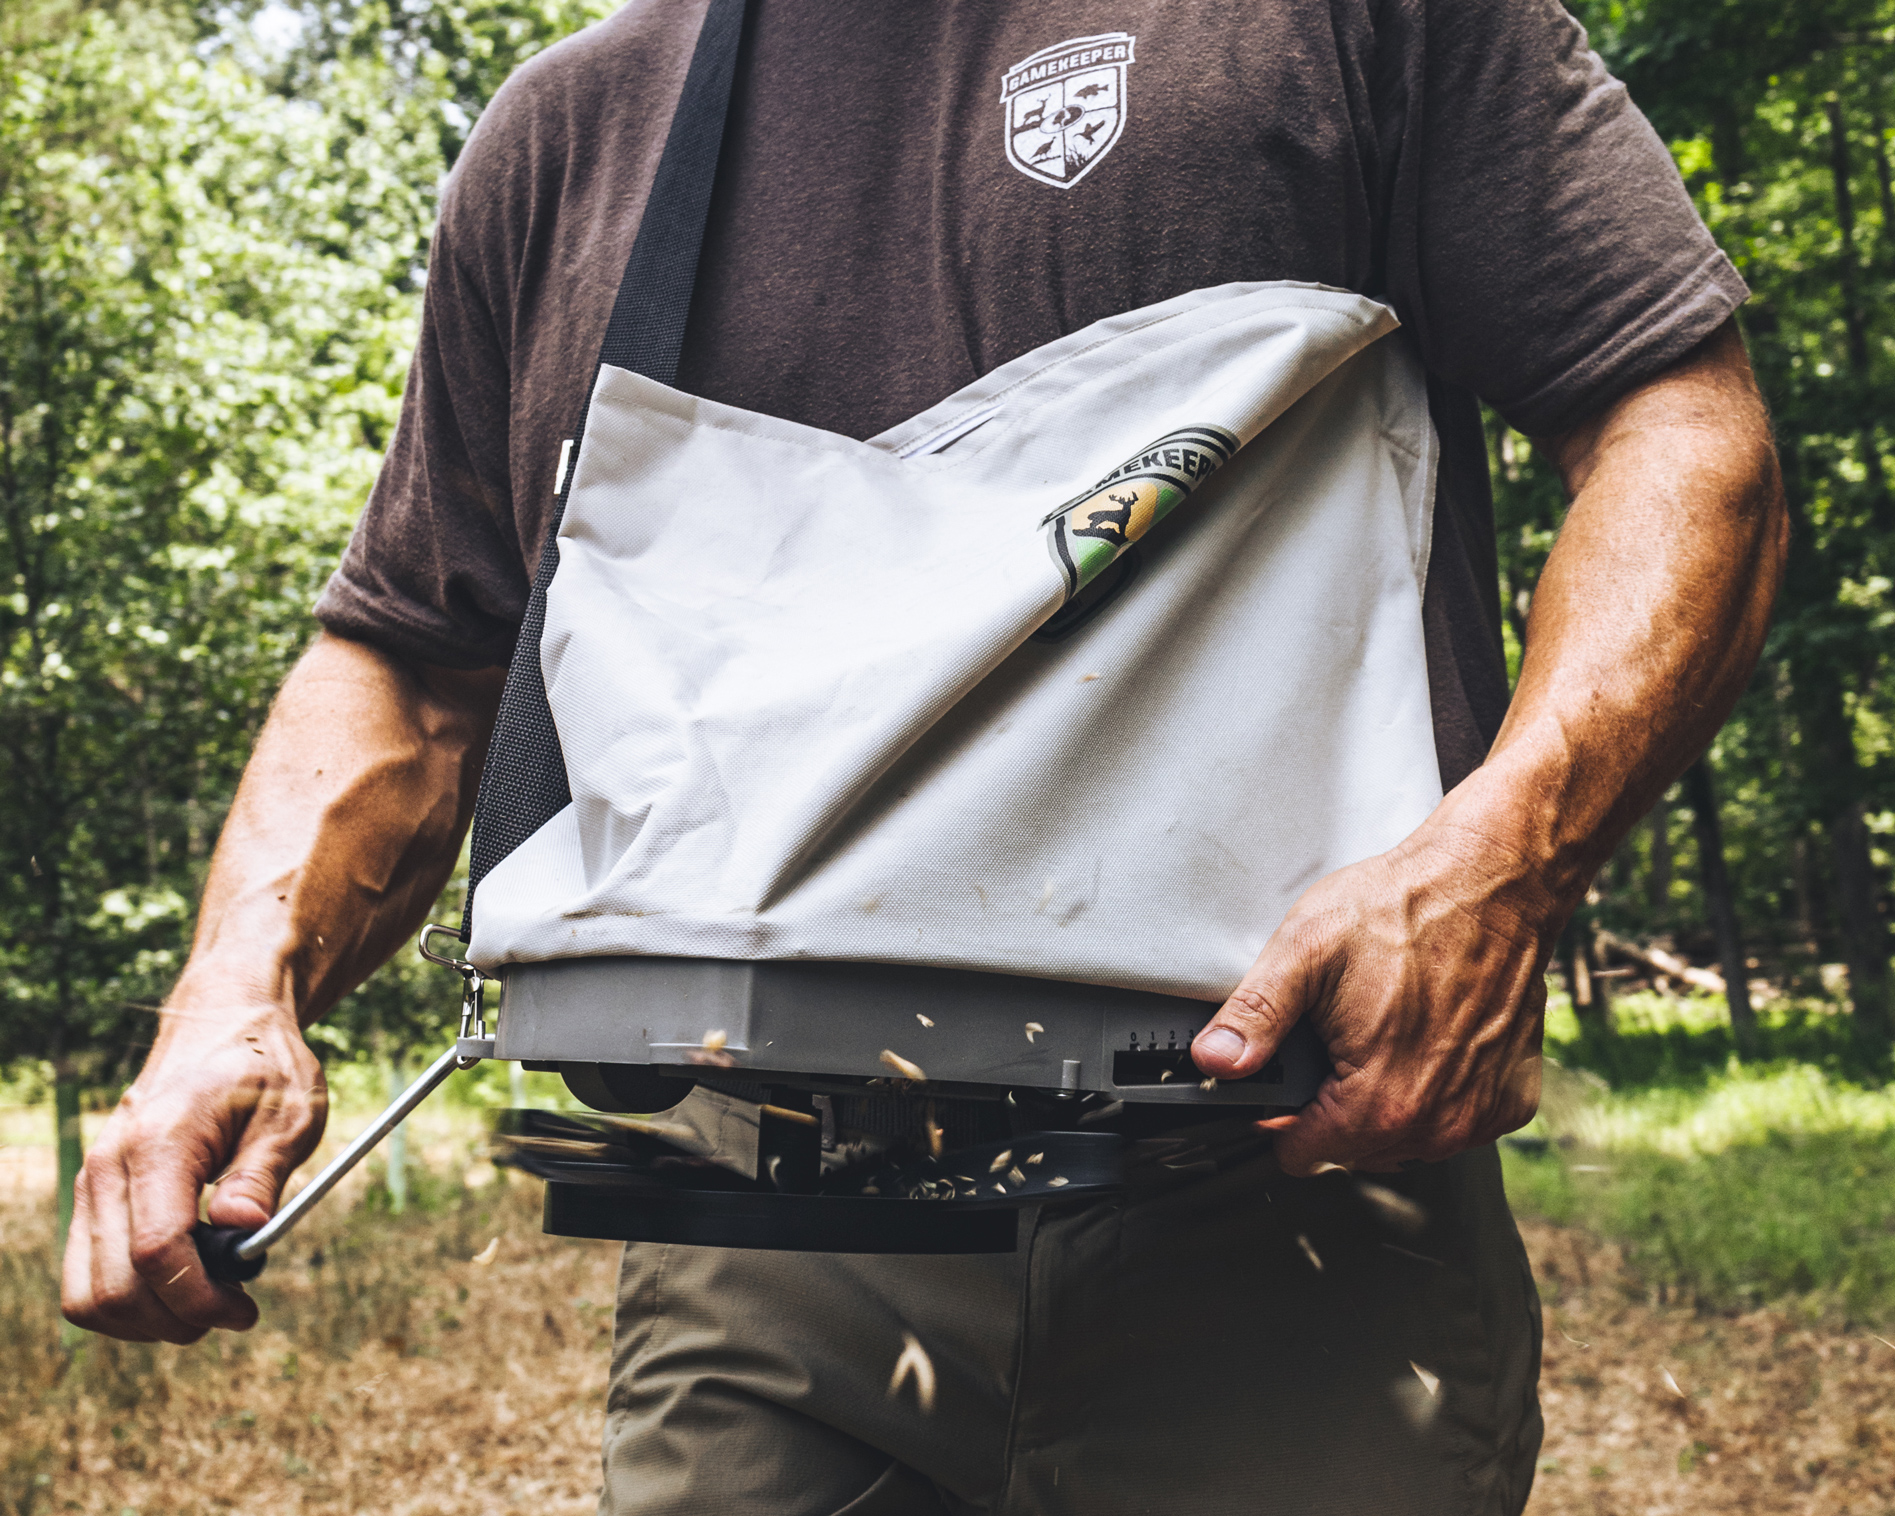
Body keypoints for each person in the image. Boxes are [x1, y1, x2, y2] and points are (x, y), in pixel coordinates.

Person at [62, 2, 1785, 1512]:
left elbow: (1682, 435)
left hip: (1279, 1191)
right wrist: (236, 987)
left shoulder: (1350, 16)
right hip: (759, 1233)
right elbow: (420, 661)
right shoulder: (577, 131)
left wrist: (1498, 857)